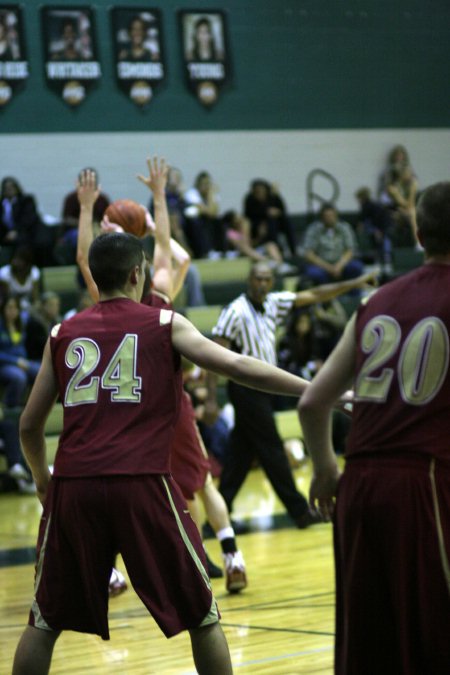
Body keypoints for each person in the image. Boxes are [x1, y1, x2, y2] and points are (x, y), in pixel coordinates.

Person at [12, 227, 327, 675]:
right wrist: (314, 389)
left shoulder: (62, 332)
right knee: (202, 615)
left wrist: (44, 480)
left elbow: (28, 425)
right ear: (138, 274)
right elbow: (237, 365)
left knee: (43, 622)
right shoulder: (162, 323)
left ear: (95, 278)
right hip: (141, 482)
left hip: (74, 487)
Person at [298, 181, 450, 674]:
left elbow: (313, 401)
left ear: (418, 233)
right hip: (425, 483)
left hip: (359, 486)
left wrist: (324, 469)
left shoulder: (376, 302)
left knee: (370, 644)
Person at [77, 160, 246, 592]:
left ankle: (112, 569)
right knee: (204, 481)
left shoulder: (104, 303)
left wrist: (88, 210)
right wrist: (157, 201)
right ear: (142, 270)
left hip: (127, 411)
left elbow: (84, 257)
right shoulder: (164, 294)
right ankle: (231, 557)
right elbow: (169, 248)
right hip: (172, 406)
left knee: (118, 489)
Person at [207, 262, 377, 528]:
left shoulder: (274, 303)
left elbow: (316, 294)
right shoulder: (235, 311)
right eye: (257, 279)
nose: (261, 283)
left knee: (241, 451)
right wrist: (210, 398)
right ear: (249, 280)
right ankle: (300, 511)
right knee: (272, 448)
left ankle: (221, 512)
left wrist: (353, 285)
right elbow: (214, 355)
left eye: (266, 279)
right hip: (245, 388)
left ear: (272, 282)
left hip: (264, 388)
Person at [303, 203, 364, 287]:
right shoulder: (314, 230)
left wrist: (339, 266)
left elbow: (350, 250)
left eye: (331, 216)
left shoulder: (344, 228)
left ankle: (353, 297)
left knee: (356, 267)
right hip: (321, 265)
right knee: (314, 273)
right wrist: (329, 268)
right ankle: (325, 297)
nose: (329, 218)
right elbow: (309, 254)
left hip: (341, 263)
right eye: (326, 216)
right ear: (322, 217)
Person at [0, 295, 40, 408]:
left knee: (41, 372)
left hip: (22, 361)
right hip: (4, 364)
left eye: (15, 308)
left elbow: (21, 348)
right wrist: (16, 361)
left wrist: (22, 361)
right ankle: (11, 408)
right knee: (19, 377)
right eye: (9, 307)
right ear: (3, 309)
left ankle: (33, 406)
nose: (12, 311)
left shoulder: (20, 325)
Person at [243, 179, 297, 257]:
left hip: (274, 221)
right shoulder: (249, 199)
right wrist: (266, 212)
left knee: (286, 221)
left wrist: (277, 210)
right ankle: (276, 248)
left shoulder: (272, 196)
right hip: (256, 222)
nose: (260, 193)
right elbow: (249, 214)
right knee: (271, 222)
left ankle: (293, 250)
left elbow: (282, 209)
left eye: (262, 190)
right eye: (257, 191)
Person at [183, 171, 223, 258]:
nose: (207, 186)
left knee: (219, 221)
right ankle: (206, 252)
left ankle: (221, 251)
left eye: (208, 184)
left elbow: (215, 212)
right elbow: (210, 212)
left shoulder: (212, 194)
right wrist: (211, 194)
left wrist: (211, 194)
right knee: (202, 222)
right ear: (198, 185)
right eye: (204, 184)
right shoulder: (192, 194)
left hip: (207, 220)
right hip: (191, 224)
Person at [0, 246, 41, 311]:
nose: (15, 262)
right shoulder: (4, 273)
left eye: (19, 260)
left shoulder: (34, 272)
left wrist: (36, 306)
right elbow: (6, 299)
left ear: (27, 263)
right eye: (15, 259)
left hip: (28, 306)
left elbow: (35, 298)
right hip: (10, 306)